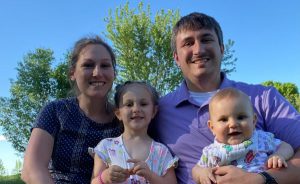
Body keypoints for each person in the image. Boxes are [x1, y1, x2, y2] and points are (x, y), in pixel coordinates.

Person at [149, 12, 300, 184]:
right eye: (188, 43)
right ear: (176, 57)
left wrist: (260, 180)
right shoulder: (158, 110)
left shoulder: (265, 98)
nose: (198, 50)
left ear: (221, 48)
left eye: (206, 39)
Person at [21, 36, 123, 184]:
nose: (97, 72)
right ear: (72, 73)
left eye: (105, 65)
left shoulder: (125, 119)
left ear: (114, 73)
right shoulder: (55, 111)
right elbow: (32, 170)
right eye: (88, 65)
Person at [192, 88, 294, 184]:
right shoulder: (211, 151)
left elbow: (286, 147)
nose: (233, 124)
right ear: (212, 127)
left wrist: (279, 155)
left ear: (253, 121)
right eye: (224, 119)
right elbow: (196, 169)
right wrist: (202, 173)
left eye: (241, 117)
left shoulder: (261, 139)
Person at [91, 81, 178, 184]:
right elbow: (94, 181)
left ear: (154, 112)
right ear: (118, 114)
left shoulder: (161, 152)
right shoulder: (106, 147)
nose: (136, 109)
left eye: (143, 104)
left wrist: (150, 176)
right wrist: (105, 177)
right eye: (129, 104)